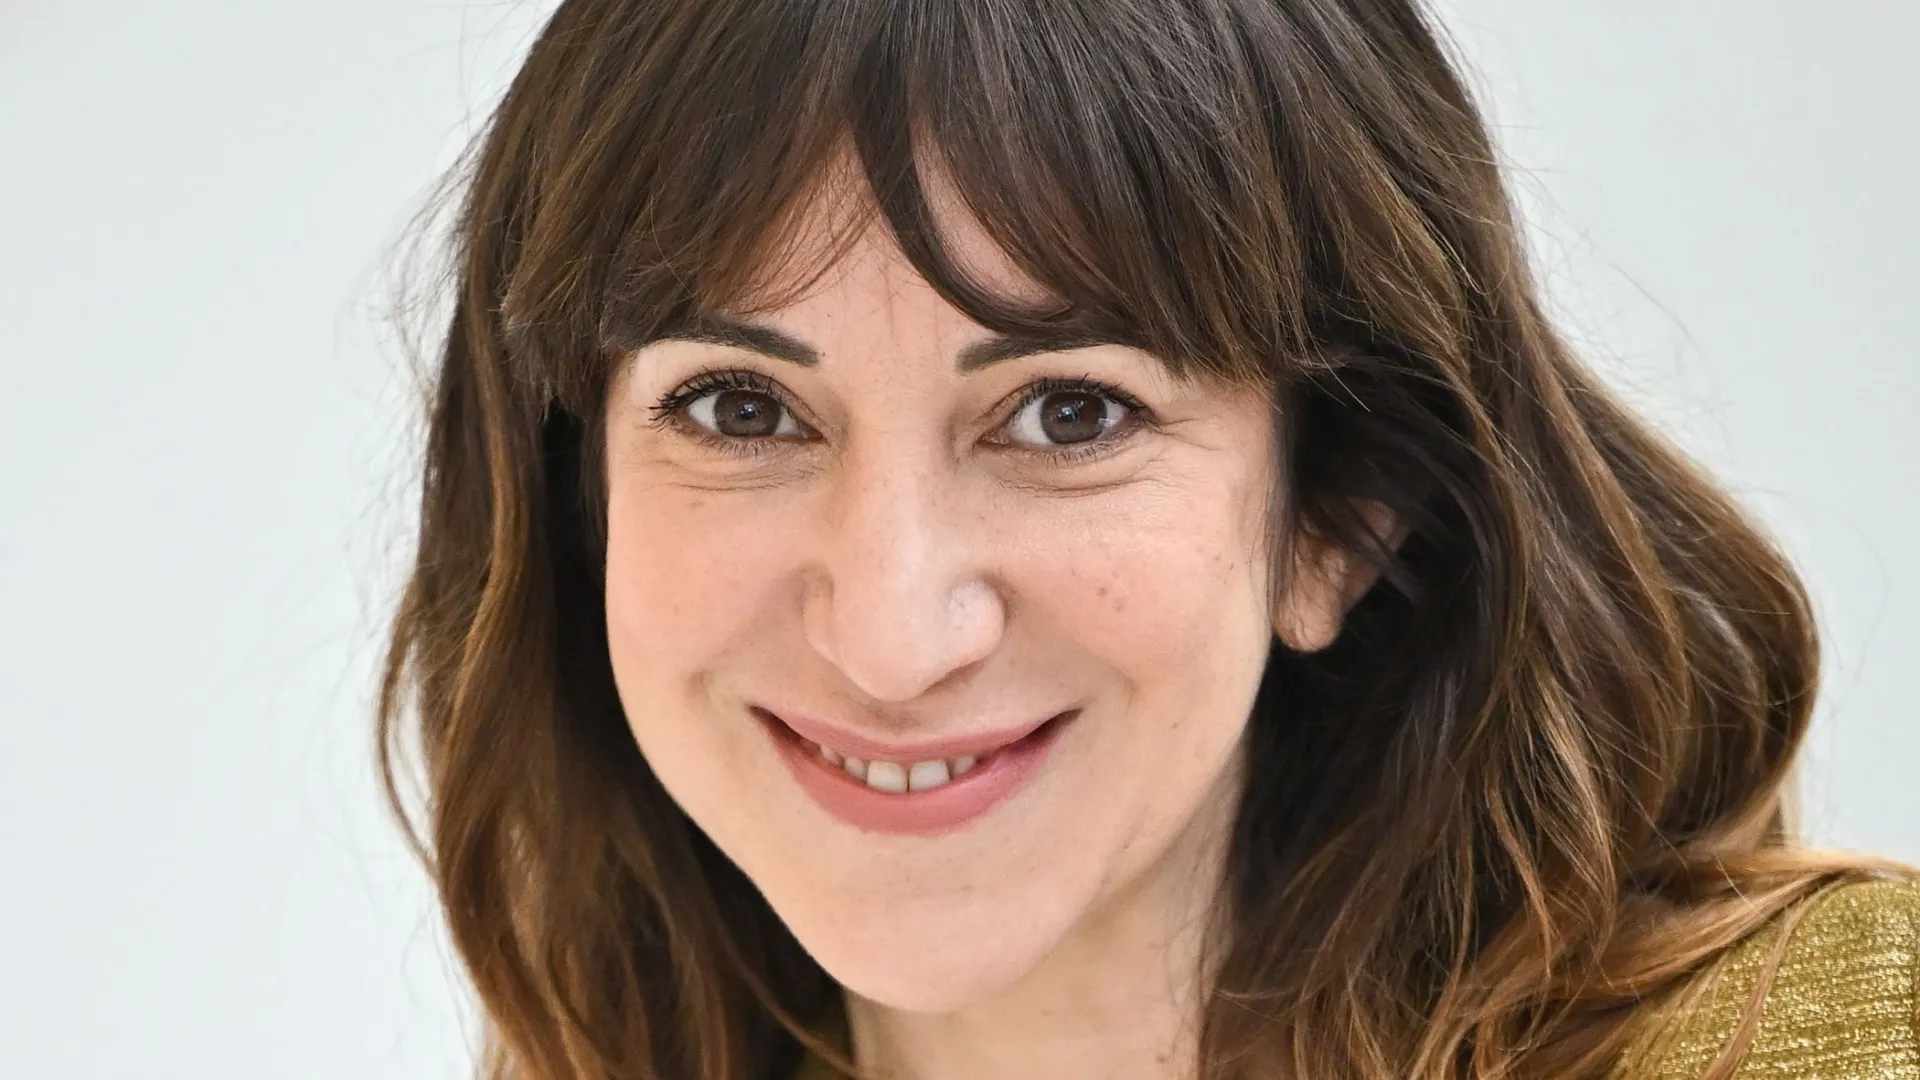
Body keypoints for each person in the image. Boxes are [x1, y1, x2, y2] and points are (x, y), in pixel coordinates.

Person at [375, 0, 1920, 1077]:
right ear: (577, 494)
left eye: (1070, 415)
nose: (893, 636)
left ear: (1342, 512)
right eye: (740, 408)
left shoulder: (1820, 1041)